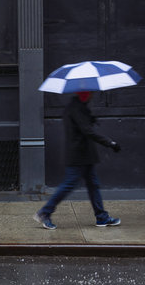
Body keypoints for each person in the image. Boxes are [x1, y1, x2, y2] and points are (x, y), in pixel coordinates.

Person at [33, 91, 121, 230]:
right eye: (90, 93)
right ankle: (45, 212)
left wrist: (90, 118)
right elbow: (87, 131)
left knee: (93, 185)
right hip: (78, 155)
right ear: (84, 94)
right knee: (69, 185)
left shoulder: (78, 107)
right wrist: (110, 143)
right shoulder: (76, 108)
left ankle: (101, 217)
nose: (92, 95)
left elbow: (82, 126)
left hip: (84, 155)